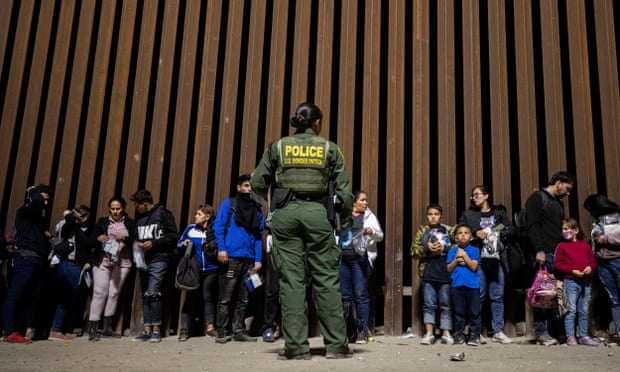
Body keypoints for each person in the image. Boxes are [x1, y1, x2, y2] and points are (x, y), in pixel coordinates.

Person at [251, 102, 354, 360]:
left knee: (291, 282)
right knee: (326, 280)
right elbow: (344, 192)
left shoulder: (278, 146)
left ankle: (296, 347)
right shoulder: (329, 148)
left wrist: (273, 205)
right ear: (317, 122)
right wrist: (343, 221)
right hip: (319, 215)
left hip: (285, 216)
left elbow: (257, 182)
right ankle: (336, 347)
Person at [458, 185, 514, 344]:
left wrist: (497, 233)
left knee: (497, 295)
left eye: (477, 194)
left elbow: (511, 230)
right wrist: (475, 232)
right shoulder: (468, 214)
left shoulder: (498, 213)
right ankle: (476, 331)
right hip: (477, 258)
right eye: (472, 195)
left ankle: (498, 331)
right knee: (478, 294)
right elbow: (460, 229)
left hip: (496, 258)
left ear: (486, 195)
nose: (474, 198)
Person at [525, 171, 575, 345]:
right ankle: (541, 333)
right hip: (543, 254)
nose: (567, 193)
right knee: (541, 293)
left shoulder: (557, 204)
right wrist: (539, 250)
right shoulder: (538, 198)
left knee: (555, 294)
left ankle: (555, 331)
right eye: (567, 189)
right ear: (559, 183)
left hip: (556, 254)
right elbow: (532, 226)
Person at [212, 174, 263, 343]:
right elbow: (218, 226)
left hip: (248, 259)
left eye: (251, 187)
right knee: (226, 297)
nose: (249, 189)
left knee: (244, 298)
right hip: (231, 257)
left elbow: (257, 235)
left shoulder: (256, 208)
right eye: (246, 186)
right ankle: (222, 331)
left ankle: (238, 331)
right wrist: (222, 249)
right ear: (239, 187)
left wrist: (258, 259)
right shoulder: (230, 204)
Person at [3, 185, 52, 343]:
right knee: (15, 295)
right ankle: (9, 332)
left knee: (27, 297)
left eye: (47, 200)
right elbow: (36, 202)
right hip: (25, 258)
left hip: (37, 259)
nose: (45, 203)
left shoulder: (38, 219)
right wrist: (33, 191)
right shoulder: (24, 212)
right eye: (42, 198)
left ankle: (18, 331)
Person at [130, 189, 178, 343]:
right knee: (146, 294)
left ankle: (156, 331)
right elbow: (136, 238)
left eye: (138, 205)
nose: (136, 208)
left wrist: (154, 243)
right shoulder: (139, 220)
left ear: (145, 203)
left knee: (154, 293)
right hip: (143, 261)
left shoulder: (163, 213)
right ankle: (147, 330)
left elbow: (173, 235)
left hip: (159, 259)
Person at [88, 196, 136, 341]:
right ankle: (93, 328)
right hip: (104, 261)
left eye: (118, 208)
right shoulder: (102, 222)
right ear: (109, 208)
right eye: (113, 209)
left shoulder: (130, 223)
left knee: (114, 293)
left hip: (122, 262)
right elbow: (90, 240)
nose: (115, 211)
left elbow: (136, 240)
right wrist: (98, 238)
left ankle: (107, 328)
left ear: (123, 209)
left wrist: (126, 239)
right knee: (99, 292)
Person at [339, 190, 384, 344]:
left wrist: (372, 232)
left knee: (360, 295)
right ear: (354, 202)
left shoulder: (369, 216)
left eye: (366, 200)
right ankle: (348, 331)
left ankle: (362, 331)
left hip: (360, 259)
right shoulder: (343, 215)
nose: (366, 203)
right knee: (345, 297)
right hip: (342, 260)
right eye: (362, 200)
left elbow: (380, 236)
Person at [49, 205, 95, 341]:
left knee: (70, 298)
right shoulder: (68, 224)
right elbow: (66, 226)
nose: (86, 219)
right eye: (84, 216)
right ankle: (56, 329)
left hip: (77, 264)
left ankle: (63, 329)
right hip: (68, 262)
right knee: (65, 297)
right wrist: (70, 216)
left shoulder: (84, 228)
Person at [410, 203, 453, 345]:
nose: (433, 217)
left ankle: (446, 332)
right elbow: (413, 252)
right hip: (428, 272)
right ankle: (429, 333)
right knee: (429, 303)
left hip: (445, 271)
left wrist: (445, 248)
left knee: (445, 303)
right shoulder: (423, 231)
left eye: (436, 214)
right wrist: (426, 248)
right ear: (427, 216)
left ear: (441, 216)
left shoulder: (448, 231)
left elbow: (458, 246)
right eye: (430, 214)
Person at [176, 204, 219, 341]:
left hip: (211, 269)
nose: (195, 216)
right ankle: (184, 330)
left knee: (209, 297)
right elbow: (179, 244)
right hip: (193, 270)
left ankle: (210, 328)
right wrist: (184, 244)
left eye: (199, 214)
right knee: (190, 298)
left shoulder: (214, 230)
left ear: (207, 216)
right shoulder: (190, 229)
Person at [554, 218, 598, 346]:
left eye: (567, 229)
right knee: (571, 310)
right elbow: (558, 264)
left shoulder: (585, 245)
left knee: (584, 310)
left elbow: (593, 262)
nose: (564, 231)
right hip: (571, 282)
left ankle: (584, 336)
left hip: (586, 282)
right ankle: (570, 336)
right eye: (563, 229)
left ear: (576, 230)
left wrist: (590, 268)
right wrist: (571, 271)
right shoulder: (562, 246)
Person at [583, 194, 620, 345]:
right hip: (603, 263)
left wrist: (607, 239)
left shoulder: (618, 217)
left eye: (590, 209)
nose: (590, 213)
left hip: (618, 260)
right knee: (614, 299)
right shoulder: (598, 223)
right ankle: (619, 331)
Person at [447, 224, 481, 346]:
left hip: (472, 285)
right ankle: (459, 335)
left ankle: (474, 336)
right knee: (459, 312)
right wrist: (456, 259)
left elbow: (473, 266)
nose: (463, 235)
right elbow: (449, 268)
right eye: (460, 233)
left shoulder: (475, 250)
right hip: (457, 285)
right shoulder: (452, 251)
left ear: (471, 237)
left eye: (466, 233)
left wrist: (464, 256)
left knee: (474, 311)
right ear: (456, 238)